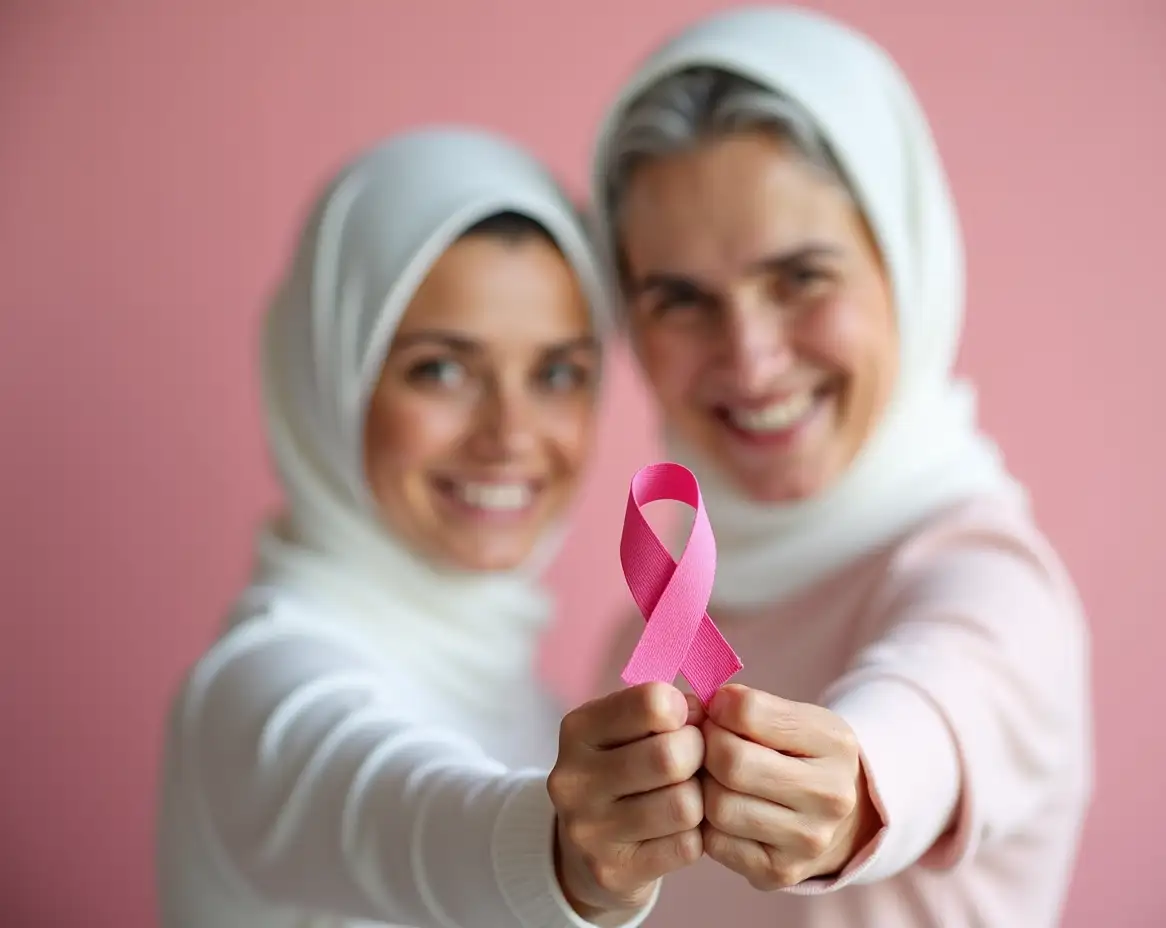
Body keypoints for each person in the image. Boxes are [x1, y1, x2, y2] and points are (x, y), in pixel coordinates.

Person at [581, 6, 1094, 926]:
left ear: (906, 267)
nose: (750, 357)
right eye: (682, 299)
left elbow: (936, 710)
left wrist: (858, 785)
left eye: (800, 277)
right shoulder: (651, 633)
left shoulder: (993, 582)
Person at [156, 128, 704, 928]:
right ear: (330, 376)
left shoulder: (538, 707)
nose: (511, 435)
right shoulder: (257, 694)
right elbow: (395, 806)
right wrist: (560, 853)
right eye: (441, 369)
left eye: (556, 374)